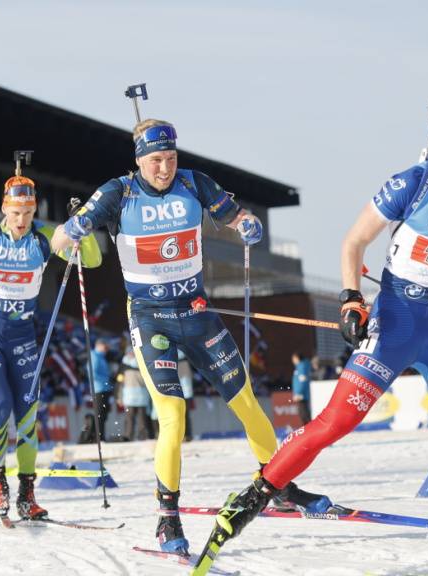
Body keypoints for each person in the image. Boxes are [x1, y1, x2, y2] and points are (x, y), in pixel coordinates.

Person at [193, 94, 428, 574]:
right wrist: (351, 298)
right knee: (333, 424)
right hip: (396, 326)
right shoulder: (412, 184)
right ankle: (252, 499)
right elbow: (354, 240)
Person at [54, 118, 330, 555]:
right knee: (173, 415)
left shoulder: (195, 183)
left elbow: (236, 216)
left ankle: (278, 484)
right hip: (151, 319)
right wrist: (71, 233)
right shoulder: (117, 193)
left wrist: (246, 226)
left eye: (171, 158)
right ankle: (167, 519)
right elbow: (58, 240)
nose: (165, 168)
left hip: (198, 313)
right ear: (140, 160)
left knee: (248, 405)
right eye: (156, 160)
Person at [0, 173, 101, 521]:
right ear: (4, 209)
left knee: (27, 417)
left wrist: (78, 224)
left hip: (23, 336)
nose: (21, 221)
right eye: (15, 213)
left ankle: (27, 493)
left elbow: (92, 260)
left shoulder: (44, 236)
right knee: (0, 408)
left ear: (34, 210)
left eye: (27, 213)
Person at [91, 338, 115, 442]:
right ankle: (98, 438)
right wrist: (107, 379)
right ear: (100, 345)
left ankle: (101, 436)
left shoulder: (101, 357)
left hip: (105, 389)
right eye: (105, 347)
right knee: (100, 414)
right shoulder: (94, 356)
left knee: (104, 415)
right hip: (99, 389)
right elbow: (93, 374)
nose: (107, 350)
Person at [291, 351, 312, 425]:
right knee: (303, 412)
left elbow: (302, 380)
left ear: (297, 358)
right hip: (301, 393)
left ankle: (309, 428)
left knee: (304, 413)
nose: (293, 361)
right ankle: (308, 428)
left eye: (293, 359)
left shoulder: (301, 366)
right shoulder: (300, 366)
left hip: (302, 394)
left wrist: (299, 393)